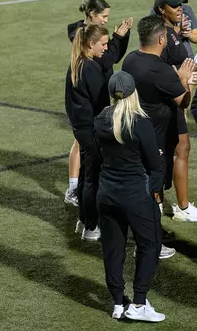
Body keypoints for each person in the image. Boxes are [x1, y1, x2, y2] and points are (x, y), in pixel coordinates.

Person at [122, 15, 197, 259]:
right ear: (162, 39)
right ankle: (150, 242)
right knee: (152, 190)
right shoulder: (161, 69)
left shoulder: (130, 61)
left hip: (136, 131)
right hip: (157, 138)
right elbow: (182, 100)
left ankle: (151, 235)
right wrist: (185, 82)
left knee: (145, 186)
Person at [93, 71, 165, 322]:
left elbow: (100, 157)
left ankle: (117, 302)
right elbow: (154, 164)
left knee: (113, 250)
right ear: (134, 92)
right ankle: (138, 302)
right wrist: (156, 152)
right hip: (135, 196)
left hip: (107, 195)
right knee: (150, 245)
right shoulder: (140, 123)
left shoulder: (101, 120)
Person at [65, 19, 132, 241]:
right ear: (89, 44)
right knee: (93, 178)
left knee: (86, 175)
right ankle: (92, 226)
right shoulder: (90, 69)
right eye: (103, 44)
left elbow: (107, 60)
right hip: (91, 129)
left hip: (81, 128)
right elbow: (101, 102)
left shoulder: (79, 62)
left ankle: (84, 220)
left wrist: (119, 39)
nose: (106, 47)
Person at [152, 0, 197, 222]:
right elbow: (159, 68)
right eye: (174, 6)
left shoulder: (172, 34)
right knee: (160, 155)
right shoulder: (162, 36)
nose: (180, 9)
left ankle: (182, 206)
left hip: (175, 99)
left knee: (182, 147)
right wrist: (183, 78)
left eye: (181, 5)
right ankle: (162, 207)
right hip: (166, 102)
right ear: (160, 10)